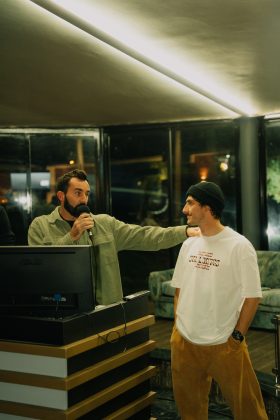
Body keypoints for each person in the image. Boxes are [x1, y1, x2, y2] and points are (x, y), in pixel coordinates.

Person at [28, 169, 199, 305]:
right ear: (61, 196)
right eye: (77, 193)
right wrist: (72, 236)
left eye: (87, 194)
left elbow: (146, 236)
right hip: (63, 310)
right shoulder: (40, 226)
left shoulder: (104, 224)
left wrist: (184, 231)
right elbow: (40, 270)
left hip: (106, 310)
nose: (84, 199)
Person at [170, 181, 268, 420]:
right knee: (189, 411)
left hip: (224, 343)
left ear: (208, 207)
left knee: (248, 409)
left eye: (190, 203)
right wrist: (178, 327)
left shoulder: (239, 246)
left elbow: (252, 297)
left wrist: (236, 338)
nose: (185, 209)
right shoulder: (188, 244)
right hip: (184, 342)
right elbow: (179, 289)